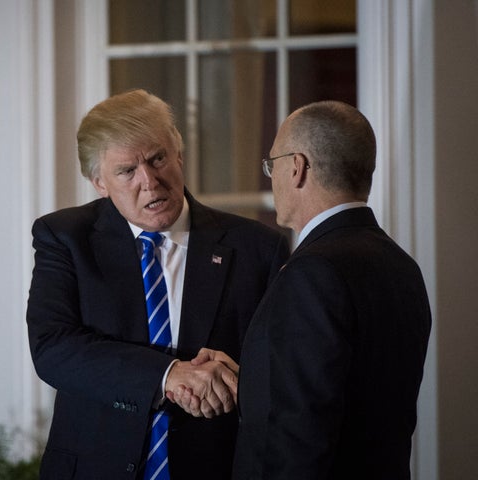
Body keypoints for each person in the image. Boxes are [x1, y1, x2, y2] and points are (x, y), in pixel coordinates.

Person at [26, 89, 289, 479]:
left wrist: (235, 376)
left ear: (178, 155)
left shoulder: (257, 248)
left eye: (158, 159)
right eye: (126, 171)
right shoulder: (65, 237)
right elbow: (53, 348)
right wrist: (169, 375)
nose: (150, 182)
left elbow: (281, 370)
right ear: (99, 182)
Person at [176, 100, 431, 479]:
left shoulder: (312, 271)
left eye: (272, 164)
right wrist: (254, 379)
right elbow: (345, 388)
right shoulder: (400, 264)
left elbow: (298, 434)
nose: (271, 176)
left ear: (297, 167)